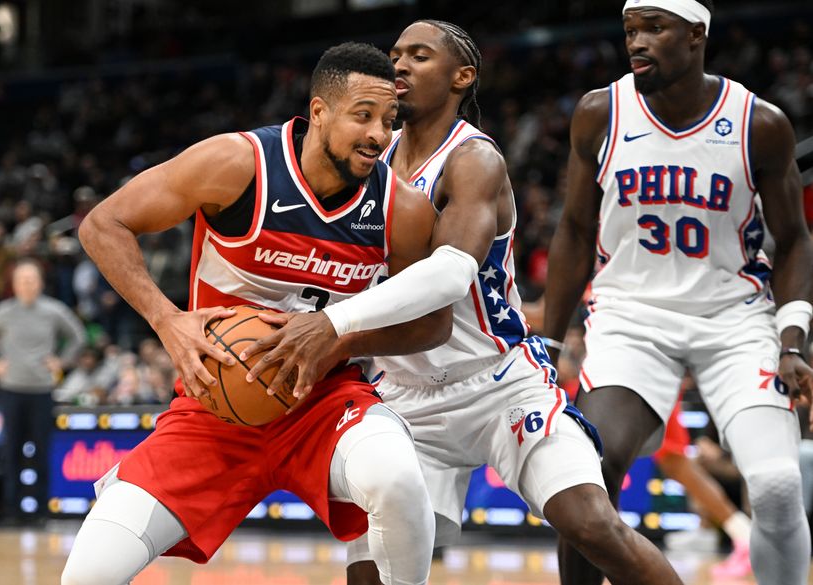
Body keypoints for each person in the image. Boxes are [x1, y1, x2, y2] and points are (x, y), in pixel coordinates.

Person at [244, 21, 682, 585]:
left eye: (419, 56)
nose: (398, 65)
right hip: (403, 394)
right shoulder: (367, 159)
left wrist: (333, 326)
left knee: (592, 525)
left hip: (496, 381)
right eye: (395, 54)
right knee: (371, 574)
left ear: (462, 76)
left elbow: (448, 280)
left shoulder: (473, 159)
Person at [61, 43, 452, 585]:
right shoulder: (238, 163)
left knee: (399, 480)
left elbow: (434, 322)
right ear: (319, 112)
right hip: (213, 407)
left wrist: (337, 342)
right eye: (362, 116)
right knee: (87, 576)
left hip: (325, 403)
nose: (378, 136)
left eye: (389, 121)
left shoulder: (401, 208)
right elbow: (102, 224)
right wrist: (166, 319)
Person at [543, 1, 813, 584]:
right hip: (631, 316)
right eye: (629, 30)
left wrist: (793, 339)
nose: (636, 41)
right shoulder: (600, 113)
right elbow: (572, 229)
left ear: (696, 36)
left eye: (653, 28)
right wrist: (544, 339)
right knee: (585, 469)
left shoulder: (758, 123)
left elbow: (793, 240)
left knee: (777, 483)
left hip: (735, 318)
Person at [0, 258, 86, 522]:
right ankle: (11, 510)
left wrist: (61, 361)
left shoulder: (53, 310)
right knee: (11, 451)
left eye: (31, 279)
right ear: (14, 284)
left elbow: (78, 336)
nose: (27, 284)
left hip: (41, 390)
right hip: (11, 389)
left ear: (40, 283)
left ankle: (41, 511)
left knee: (42, 451)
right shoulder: (3, 311)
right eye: (22, 280)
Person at [652, 397, 752, 578]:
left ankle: (742, 535)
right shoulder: (719, 404)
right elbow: (706, 439)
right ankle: (726, 532)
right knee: (680, 461)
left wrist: (721, 454)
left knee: (673, 460)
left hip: (740, 464)